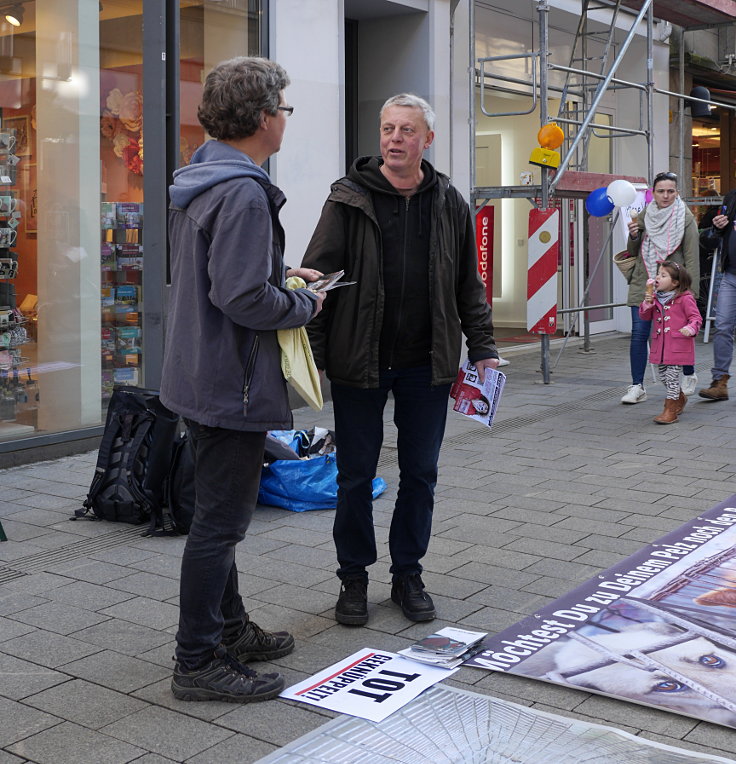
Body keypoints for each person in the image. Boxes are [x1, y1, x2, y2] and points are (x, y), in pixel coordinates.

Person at [160, 57, 324, 702]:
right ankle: (197, 662)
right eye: (283, 109)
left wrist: (283, 281)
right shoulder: (244, 191)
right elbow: (240, 298)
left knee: (213, 517)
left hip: (198, 374)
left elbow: (217, 282)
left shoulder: (203, 178)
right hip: (233, 383)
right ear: (263, 119)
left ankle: (228, 630)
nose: (285, 119)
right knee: (219, 527)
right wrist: (304, 304)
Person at [301, 93, 499, 626]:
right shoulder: (347, 199)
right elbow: (316, 279)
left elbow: (467, 284)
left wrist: (482, 347)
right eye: (388, 128)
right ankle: (354, 578)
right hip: (358, 363)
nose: (394, 139)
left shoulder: (449, 203)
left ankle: (408, 573)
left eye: (406, 130)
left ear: (426, 140)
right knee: (354, 476)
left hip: (426, 364)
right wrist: (312, 357)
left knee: (421, 474)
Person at [622, 171, 699, 404]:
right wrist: (634, 236)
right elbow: (633, 252)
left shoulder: (685, 218)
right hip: (644, 282)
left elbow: (692, 257)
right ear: (652, 193)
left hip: (674, 286)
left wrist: (690, 293)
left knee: (678, 333)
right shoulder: (645, 216)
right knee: (639, 334)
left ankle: (688, 373)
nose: (665, 196)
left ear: (677, 192)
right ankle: (637, 386)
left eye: (670, 191)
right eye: (660, 191)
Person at [639, 262, 701, 424]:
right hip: (660, 346)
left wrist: (690, 328)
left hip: (677, 345)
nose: (658, 277)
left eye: (663, 275)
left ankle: (670, 409)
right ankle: (680, 397)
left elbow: (696, 318)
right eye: (658, 274)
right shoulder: (656, 298)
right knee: (664, 377)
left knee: (672, 377)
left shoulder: (685, 299)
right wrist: (647, 303)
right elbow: (644, 317)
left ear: (675, 283)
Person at [698, 189, 736, 401]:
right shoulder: (731, 198)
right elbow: (715, 237)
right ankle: (719, 381)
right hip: (730, 275)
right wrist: (717, 227)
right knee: (722, 327)